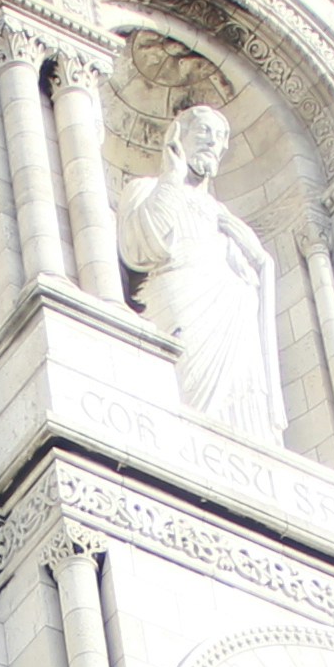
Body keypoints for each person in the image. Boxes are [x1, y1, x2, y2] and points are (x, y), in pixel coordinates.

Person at [113, 100, 283, 441]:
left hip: (231, 317)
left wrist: (261, 262)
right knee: (188, 392)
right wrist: (172, 178)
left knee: (236, 400)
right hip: (180, 299)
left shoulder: (223, 215)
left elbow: (254, 274)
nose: (212, 141)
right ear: (179, 136)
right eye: (204, 131)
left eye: (219, 136)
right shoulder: (145, 188)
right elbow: (139, 248)